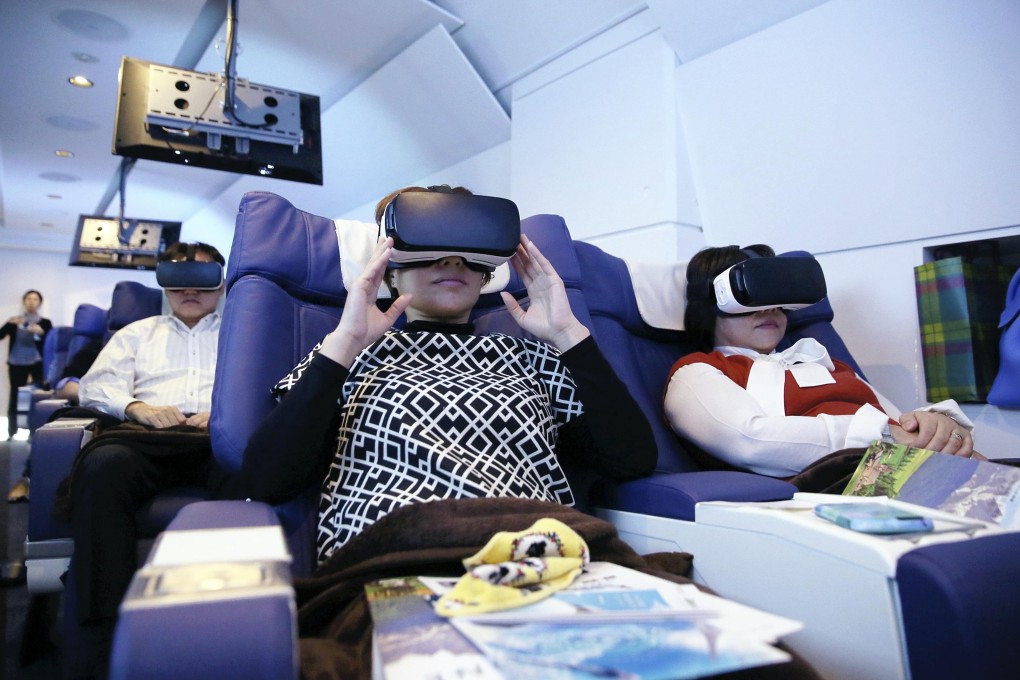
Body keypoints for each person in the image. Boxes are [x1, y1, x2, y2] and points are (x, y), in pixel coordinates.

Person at [242, 185, 657, 565]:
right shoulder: (348, 353)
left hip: (536, 552)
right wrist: (345, 343)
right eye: (428, 244)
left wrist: (569, 335)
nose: (452, 260)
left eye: (466, 249)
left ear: (485, 272)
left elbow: (631, 461)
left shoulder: (531, 356)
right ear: (389, 267)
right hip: (399, 555)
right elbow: (267, 480)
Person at [664, 244, 983, 487]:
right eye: (752, 301)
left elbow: (900, 423)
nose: (771, 309)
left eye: (777, 300)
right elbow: (751, 442)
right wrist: (882, 437)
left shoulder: (826, 362)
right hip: (837, 486)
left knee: (998, 482)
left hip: (906, 467)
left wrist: (937, 427)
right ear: (711, 307)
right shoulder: (697, 372)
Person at [67, 241, 243, 678]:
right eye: (178, 276)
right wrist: (136, 408)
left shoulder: (243, 333)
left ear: (221, 283)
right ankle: (103, 627)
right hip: (145, 439)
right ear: (164, 282)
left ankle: (221, 625)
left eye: (201, 277)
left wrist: (227, 410)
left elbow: (272, 385)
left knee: (242, 465)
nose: (190, 288)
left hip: (213, 438)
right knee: (102, 465)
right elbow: (93, 387)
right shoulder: (137, 334)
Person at [1, 289, 52, 439]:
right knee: (15, 395)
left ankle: (35, 430)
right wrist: (10, 324)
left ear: (40, 303)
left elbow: (51, 343)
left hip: (36, 362)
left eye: (35, 299)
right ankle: (12, 431)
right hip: (16, 362)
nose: (31, 302)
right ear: (24, 301)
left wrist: (39, 332)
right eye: (28, 299)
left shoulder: (45, 322)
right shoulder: (16, 320)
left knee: (37, 396)